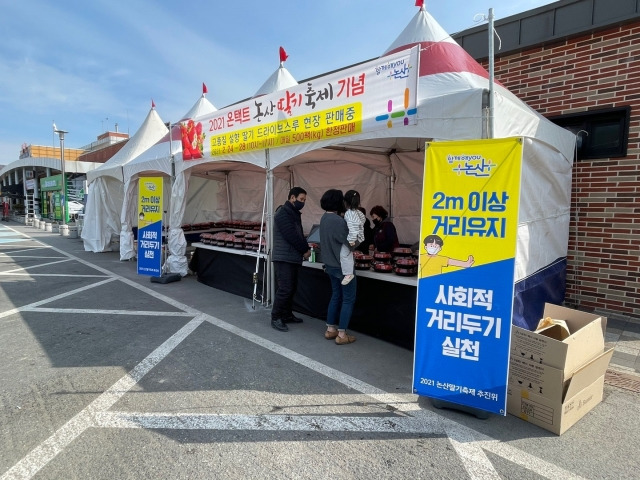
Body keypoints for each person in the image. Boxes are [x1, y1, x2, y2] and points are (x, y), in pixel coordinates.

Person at [271, 186, 311, 332]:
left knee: (291, 288)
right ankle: (275, 317)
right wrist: (305, 249)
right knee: (285, 289)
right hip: (284, 257)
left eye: (305, 200)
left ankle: (286, 314)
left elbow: (299, 234)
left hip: (292, 257)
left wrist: (305, 247)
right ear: (292, 197)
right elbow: (291, 236)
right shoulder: (283, 213)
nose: (303, 202)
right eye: (301, 199)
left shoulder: (293, 213)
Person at [319, 189, 357, 345]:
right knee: (348, 299)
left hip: (330, 264)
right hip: (343, 267)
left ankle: (330, 329)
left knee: (336, 296)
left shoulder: (324, 218)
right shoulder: (338, 221)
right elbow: (350, 243)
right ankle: (342, 334)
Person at [340, 190, 366, 285]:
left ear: (345, 202)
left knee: (344, 254)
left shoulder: (349, 213)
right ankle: (349, 272)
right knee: (348, 254)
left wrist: (351, 239)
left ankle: (348, 274)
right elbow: (363, 220)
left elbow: (353, 227)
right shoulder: (358, 212)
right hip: (359, 236)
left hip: (354, 238)